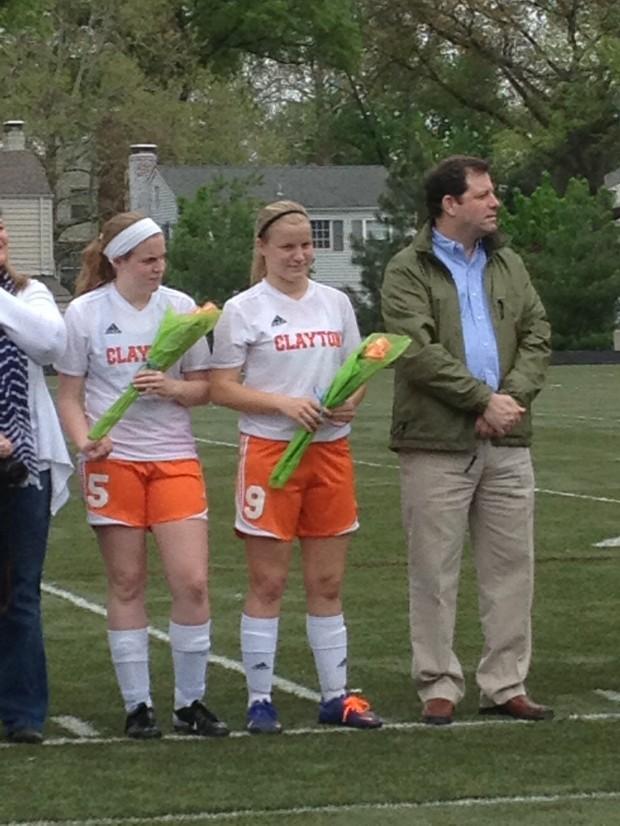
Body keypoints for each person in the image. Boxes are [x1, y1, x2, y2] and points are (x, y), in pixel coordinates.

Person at [381, 155, 553, 726]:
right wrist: (481, 401)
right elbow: (415, 349)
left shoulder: (508, 263)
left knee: (512, 567)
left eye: (492, 192)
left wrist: (509, 400)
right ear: (449, 205)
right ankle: (438, 682)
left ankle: (506, 682)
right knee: (434, 569)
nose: (494, 202)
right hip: (436, 442)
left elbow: (537, 333)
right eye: (482, 194)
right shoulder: (407, 269)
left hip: (508, 441)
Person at [209, 200, 382, 734]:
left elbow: (358, 369)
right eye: (287, 246)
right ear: (263, 248)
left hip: (330, 452)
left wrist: (351, 401)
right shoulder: (243, 309)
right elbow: (221, 387)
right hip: (269, 456)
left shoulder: (335, 303)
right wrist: (283, 405)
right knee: (268, 582)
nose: (300, 255)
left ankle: (337, 696)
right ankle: (260, 698)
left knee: (327, 582)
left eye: (307, 244)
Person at [55, 212, 228, 739]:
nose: (159, 268)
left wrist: (172, 389)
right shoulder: (85, 313)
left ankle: (190, 702)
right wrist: (86, 442)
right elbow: (69, 396)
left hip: (174, 458)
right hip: (114, 463)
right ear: (119, 261)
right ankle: (138, 706)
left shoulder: (180, 309)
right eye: (148, 259)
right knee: (127, 582)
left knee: (192, 583)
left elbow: (203, 388)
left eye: (162, 258)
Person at [0, 210, 73, 744]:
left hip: (26, 464)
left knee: (21, 590)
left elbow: (50, 343)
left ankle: (24, 711)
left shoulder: (32, 295)